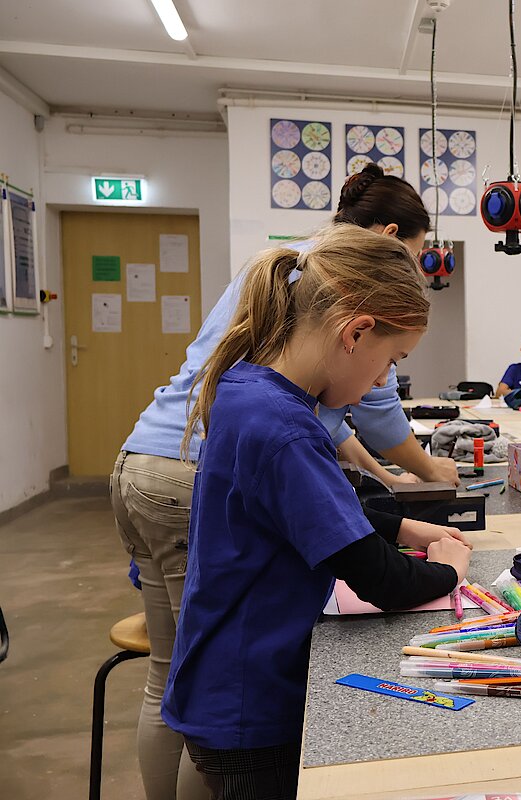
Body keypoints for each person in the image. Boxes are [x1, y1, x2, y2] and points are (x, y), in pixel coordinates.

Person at [110, 165, 461, 800]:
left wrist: (402, 524)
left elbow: (312, 505)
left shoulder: (253, 392)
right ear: (355, 333)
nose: (383, 382)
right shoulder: (286, 428)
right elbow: (377, 576)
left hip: (223, 690)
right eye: (392, 362)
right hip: (253, 708)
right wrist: (451, 571)